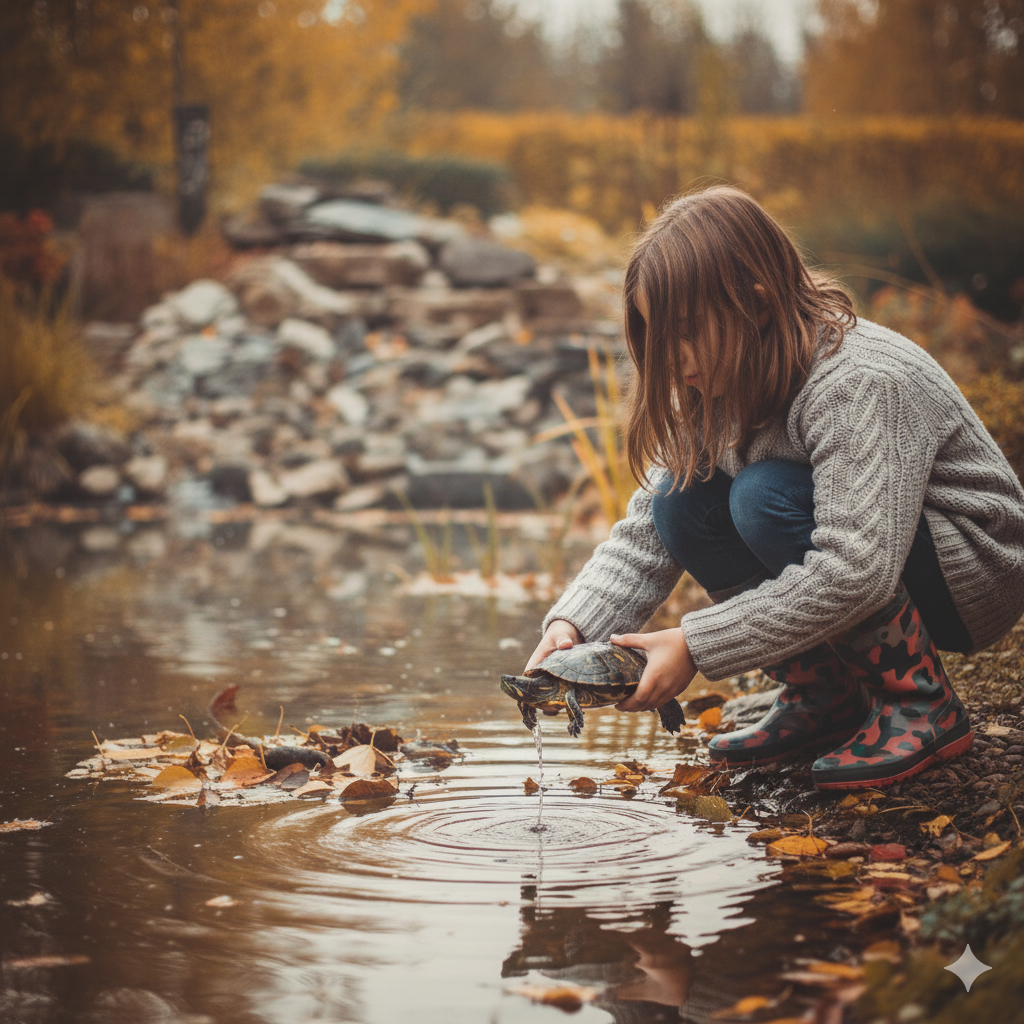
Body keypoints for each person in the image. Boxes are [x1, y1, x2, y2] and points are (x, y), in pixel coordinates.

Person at [524, 185, 1024, 791]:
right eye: (660, 338)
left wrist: (695, 644)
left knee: (762, 498)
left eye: (686, 333)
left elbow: (855, 568)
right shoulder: (715, 383)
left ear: (756, 304)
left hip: (971, 572)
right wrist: (575, 627)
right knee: (678, 502)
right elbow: (645, 535)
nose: (675, 359)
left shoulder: (857, 381)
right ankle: (825, 694)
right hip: (882, 560)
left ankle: (922, 705)